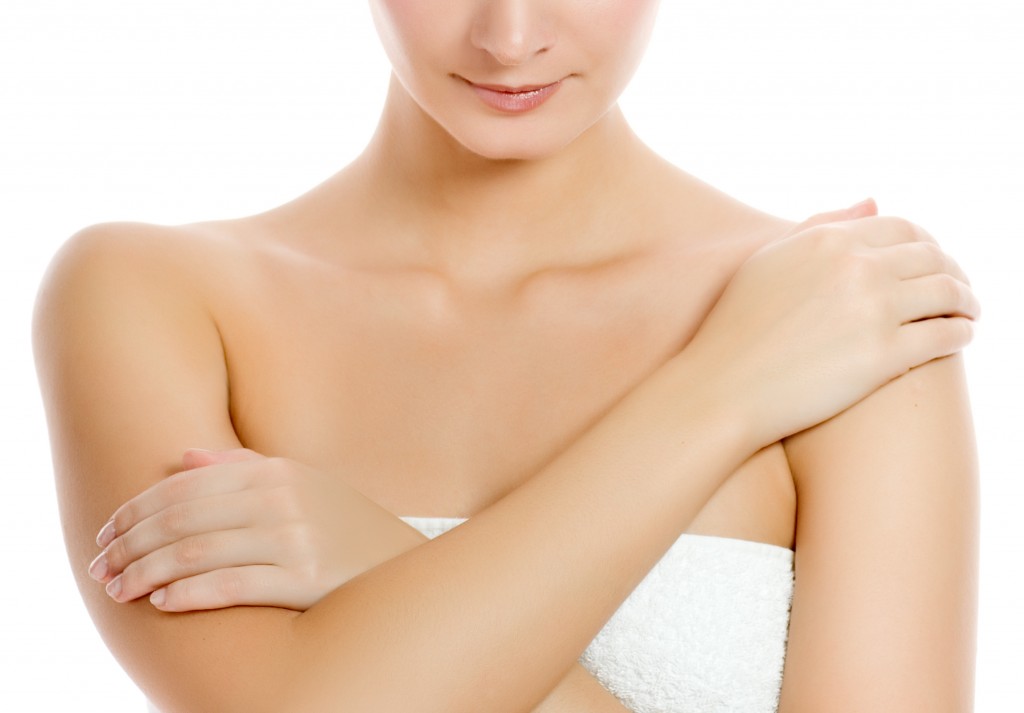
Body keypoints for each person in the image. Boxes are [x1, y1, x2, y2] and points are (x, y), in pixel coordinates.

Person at [32, 2, 980, 711]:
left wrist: (379, 569)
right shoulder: (150, 293)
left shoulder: (837, 311)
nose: (511, 36)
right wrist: (718, 393)